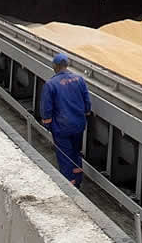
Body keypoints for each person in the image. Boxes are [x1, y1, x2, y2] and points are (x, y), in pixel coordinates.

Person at [39, 53, 92, 187]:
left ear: (55, 66)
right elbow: (87, 101)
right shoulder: (79, 79)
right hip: (78, 125)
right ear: (67, 65)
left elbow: (46, 108)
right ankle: (78, 180)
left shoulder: (51, 84)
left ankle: (69, 186)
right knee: (76, 153)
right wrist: (85, 114)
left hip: (61, 127)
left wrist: (47, 124)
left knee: (65, 157)